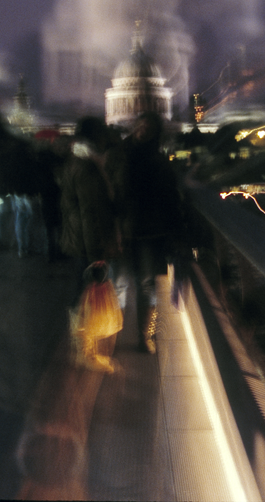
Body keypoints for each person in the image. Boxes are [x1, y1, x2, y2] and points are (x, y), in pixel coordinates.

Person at [112, 112, 184, 353]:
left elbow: (170, 200)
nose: (143, 130)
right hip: (122, 229)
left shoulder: (160, 162)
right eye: (141, 125)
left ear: (155, 133)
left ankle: (146, 335)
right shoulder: (118, 157)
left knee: (146, 285)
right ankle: (110, 336)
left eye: (149, 128)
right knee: (119, 284)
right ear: (134, 128)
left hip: (150, 233)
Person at [59, 116, 120, 301]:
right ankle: (83, 326)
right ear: (96, 137)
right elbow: (90, 212)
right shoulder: (88, 166)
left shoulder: (76, 159)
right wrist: (97, 254)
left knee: (82, 291)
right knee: (89, 295)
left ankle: (79, 324)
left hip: (79, 237)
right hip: (88, 242)